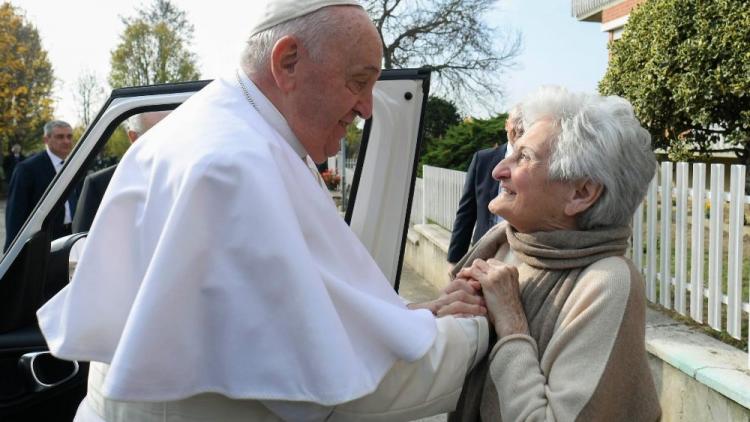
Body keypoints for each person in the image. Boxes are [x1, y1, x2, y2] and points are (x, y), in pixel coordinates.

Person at [37, 2, 488, 421]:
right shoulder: (234, 167)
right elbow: (331, 385)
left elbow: (321, 313)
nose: (367, 108)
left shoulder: (231, 133)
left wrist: (417, 320)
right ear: (288, 61)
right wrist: (479, 333)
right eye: (358, 81)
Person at [447, 86, 661, 421]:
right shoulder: (503, 244)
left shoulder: (607, 282)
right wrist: (447, 322)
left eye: (524, 157)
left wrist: (511, 323)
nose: (498, 170)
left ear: (581, 193)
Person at [447, 106, 524, 267]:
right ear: (506, 124)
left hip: (518, 256)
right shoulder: (482, 159)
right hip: (481, 252)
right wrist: (454, 259)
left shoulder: (536, 164)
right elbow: (466, 213)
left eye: (523, 122)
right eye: (515, 121)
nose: (518, 127)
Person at [71, 111, 169, 233]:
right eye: (159, 134)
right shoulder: (101, 185)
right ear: (133, 137)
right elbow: (82, 244)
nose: (168, 141)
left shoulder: (194, 177)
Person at [5, 120, 77, 251]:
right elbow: (15, 213)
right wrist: (13, 252)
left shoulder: (74, 164)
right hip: (41, 240)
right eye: (60, 137)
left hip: (70, 236)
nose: (66, 141)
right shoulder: (27, 169)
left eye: (69, 136)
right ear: (46, 139)